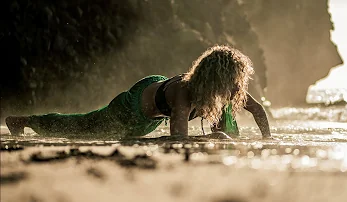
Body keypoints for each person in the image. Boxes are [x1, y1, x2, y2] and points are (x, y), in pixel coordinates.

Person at [5, 45, 272, 139]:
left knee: (226, 113)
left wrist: (267, 140)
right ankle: (25, 121)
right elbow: (177, 138)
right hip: (133, 109)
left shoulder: (224, 90)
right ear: (215, 77)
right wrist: (215, 140)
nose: (236, 87)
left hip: (156, 90)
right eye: (232, 80)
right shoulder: (185, 93)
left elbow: (258, 110)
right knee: (83, 126)